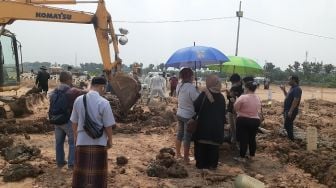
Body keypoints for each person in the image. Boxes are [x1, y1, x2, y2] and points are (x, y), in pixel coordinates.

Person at [70, 77, 114, 188]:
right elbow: (108, 126)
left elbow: (74, 122)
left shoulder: (79, 100)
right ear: (102, 87)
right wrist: (110, 140)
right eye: (104, 88)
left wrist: (76, 137)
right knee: (98, 178)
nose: (104, 90)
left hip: (81, 142)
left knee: (81, 176)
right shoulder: (104, 102)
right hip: (99, 143)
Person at [49, 71, 85, 169]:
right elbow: (85, 93)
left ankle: (60, 162)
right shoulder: (72, 91)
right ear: (69, 79)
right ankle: (71, 164)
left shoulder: (54, 91)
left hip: (56, 120)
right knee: (72, 142)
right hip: (67, 121)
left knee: (59, 142)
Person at [193, 74, 226, 169]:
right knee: (214, 148)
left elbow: (195, 107)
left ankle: (201, 165)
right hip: (216, 128)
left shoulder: (204, 94)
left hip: (203, 127)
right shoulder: (221, 97)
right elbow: (223, 112)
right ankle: (212, 165)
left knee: (201, 147)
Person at [234, 77, 262, 162]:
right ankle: (252, 155)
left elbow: (236, 108)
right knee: (252, 139)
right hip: (255, 120)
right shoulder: (257, 98)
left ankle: (242, 157)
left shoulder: (243, 97)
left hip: (243, 120)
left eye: (244, 87)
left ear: (247, 88)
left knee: (244, 139)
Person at [175, 68, 199, 163]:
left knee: (179, 134)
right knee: (187, 137)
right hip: (188, 115)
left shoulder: (179, 85)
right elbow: (196, 101)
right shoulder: (191, 88)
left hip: (180, 113)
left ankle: (178, 154)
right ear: (190, 76)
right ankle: (186, 158)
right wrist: (197, 91)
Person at [280, 75, 302, 141]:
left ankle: (291, 139)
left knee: (288, 124)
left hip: (291, 110)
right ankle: (290, 138)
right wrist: (284, 90)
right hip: (287, 109)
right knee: (288, 124)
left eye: (289, 80)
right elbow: (287, 96)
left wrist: (290, 111)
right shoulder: (292, 88)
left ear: (294, 80)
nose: (288, 81)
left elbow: (296, 100)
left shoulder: (297, 89)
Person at [226, 74, 244, 145]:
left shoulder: (243, 89)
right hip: (231, 109)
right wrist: (229, 95)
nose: (233, 84)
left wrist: (230, 95)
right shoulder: (233, 88)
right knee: (232, 126)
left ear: (239, 81)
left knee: (237, 126)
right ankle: (233, 140)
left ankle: (238, 142)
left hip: (237, 110)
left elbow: (235, 99)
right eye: (232, 82)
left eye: (234, 82)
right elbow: (230, 99)